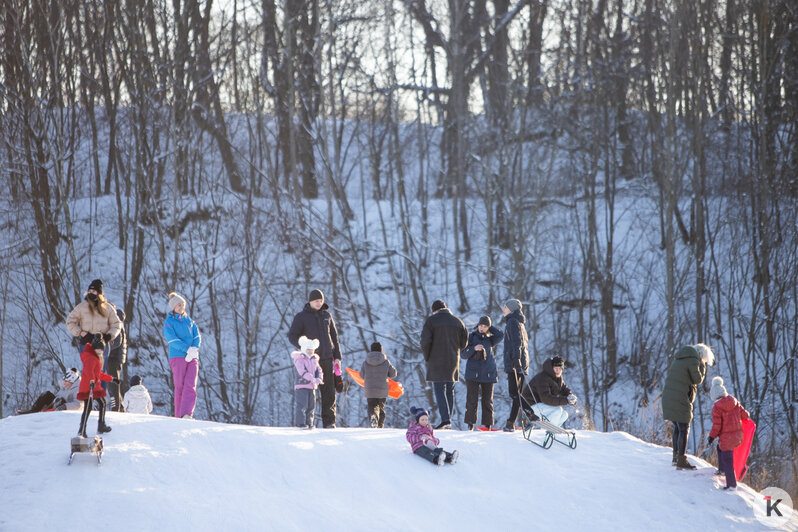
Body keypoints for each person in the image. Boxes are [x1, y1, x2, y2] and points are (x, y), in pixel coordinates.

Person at [287, 289, 342, 428]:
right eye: (316, 301)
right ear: (310, 301)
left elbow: (334, 338)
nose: (319, 303)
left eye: (321, 301)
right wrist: (304, 346)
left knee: (329, 391)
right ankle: (306, 422)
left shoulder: (327, 316)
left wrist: (337, 357)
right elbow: (292, 335)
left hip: (328, 358)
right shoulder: (301, 317)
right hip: (310, 361)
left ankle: (329, 423)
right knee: (308, 393)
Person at [662, 343, 714, 470]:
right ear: (702, 356)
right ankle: (681, 460)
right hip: (680, 398)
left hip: (669, 397)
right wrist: (703, 367)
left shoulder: (680, 358)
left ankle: (676, 457)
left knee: (678, 427)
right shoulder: (693, 361)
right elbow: (697, 379)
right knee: (684, 427)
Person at [420, 300, 468, 429]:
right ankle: (448, 420)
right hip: (453, 360)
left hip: (436, 360)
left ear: (434, 310)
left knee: (439, 390)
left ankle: (445, 420)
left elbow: (425, 342)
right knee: (449, 391)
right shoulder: (458, 322)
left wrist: (428, 357)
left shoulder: (431, 321)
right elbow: (464, 343)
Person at [163, 292, 201, 419]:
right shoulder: (169, 322)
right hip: (178, 356)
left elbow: (197, 336)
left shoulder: (189, 320)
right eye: (178, 305)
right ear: (173, 307)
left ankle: (187, 413)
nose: (181, 307)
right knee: (180, 385)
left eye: (182, 304)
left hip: (192, 356)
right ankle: (179, 415)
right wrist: (187, 349)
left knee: (190, 385)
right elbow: (172, 339)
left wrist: (194, 349)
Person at [708, 376, 750, 490]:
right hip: (738, 436)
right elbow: (745, 415)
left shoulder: (717, 408)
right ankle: (721, 470)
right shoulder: (734, 401)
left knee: (728, 460)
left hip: (727, 438)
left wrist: (711, 437)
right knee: (719, 447)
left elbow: (717, 426)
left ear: (714, 396)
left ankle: (731, 485)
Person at [460, 316, 502, 430]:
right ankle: (470, 424)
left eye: (484, 326)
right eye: (480, 325)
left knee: (488, 401)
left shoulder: (490, 339)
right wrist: (474, 348)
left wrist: (490, 327)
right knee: (471, 400)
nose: (482, 328)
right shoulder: (471, 337)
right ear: (477, 325)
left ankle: (487, 425)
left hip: (488, 373)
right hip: (472, 374)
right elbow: (463, 354)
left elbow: (500, 335)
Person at [65, 279, 122, 352]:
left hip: (103, 345)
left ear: (99, 293)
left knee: (101, 364)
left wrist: (109, 336)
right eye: (90, 291)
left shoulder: (108, 308)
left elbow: (116, 324)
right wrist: (80, 332)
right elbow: (70, 322)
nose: (91, 293)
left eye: (94, 291)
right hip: (86, 344)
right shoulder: (81, 307)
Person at [521, 355, 577, 427]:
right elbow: (546, 398)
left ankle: (552, 431)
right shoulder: (543, 378)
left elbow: (563, 389)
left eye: (560, 369)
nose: (558, 371)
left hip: (541, 407)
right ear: (551, 368)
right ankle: (546, 430)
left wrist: (570, 397)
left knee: (564, 415)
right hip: (530, 409)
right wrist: (566, 400)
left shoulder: (558, 378)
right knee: (558, 410)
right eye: (555, 368)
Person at [77, 335, 114, 437]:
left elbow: (98, 374)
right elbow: (89, 372)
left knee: (100, 403)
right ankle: (83, 429)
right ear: (94, 349)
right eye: (97, 351)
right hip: (89, 386)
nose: (99, 353)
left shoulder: (95, 358)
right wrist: (92, 381)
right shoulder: (91, 358)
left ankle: (89, 428)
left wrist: (111, 378)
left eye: (101, 351)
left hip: (92, 386)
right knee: (91, 406)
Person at [501, 299, 529, 432]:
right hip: (521, 362)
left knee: (513, 393)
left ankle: (530, 414)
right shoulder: (519, 322)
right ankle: (510, 422)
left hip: (515, 362)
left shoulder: (512, 321)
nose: (503, 309)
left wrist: (516, 359)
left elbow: (517, 342)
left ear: (511, 309)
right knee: (517, 394)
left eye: (505, 307)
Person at [360, 341, 398, 428]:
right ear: (381, 350)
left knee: (371, 406)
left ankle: (373, 418)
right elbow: (393, 374)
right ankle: (380, 426)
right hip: (382, 390)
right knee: (381, 408)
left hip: (369, 390)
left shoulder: (365, 362)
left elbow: (361, 375)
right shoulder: (385, 362)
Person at [291, 336, 324, 428]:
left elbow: (319, 370)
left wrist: (319, 379)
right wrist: (311, 378)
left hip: (312, 386)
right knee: (302, 405)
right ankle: (300, 423)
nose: (310, 351)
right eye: (308, 349)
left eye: (312, 350)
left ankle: (309, 422)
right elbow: (302, 371)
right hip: (302, 385)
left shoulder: (314, 360)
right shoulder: (299, 359)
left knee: (311, 405)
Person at [18, 368, 82, 414]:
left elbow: (78, 405)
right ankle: (34, 410)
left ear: (72, 381)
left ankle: (47, 413)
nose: (64, 383)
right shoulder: (65, 387)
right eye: (64, 381)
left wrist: (65, 406)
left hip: (65, 408)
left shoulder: (78, 389)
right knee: (47, 394)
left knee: (59, 400)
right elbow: (57, 397)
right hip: (57, 405)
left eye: (66, 382)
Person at [106, 308, 127, 412]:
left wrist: (106, 347)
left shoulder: (117, 325)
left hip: (114, 358)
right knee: (111, 382)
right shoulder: (116, 324)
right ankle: (120, 406)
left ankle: (116, 407)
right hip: (115, 357)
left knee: (112, 383)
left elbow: (117, 342)